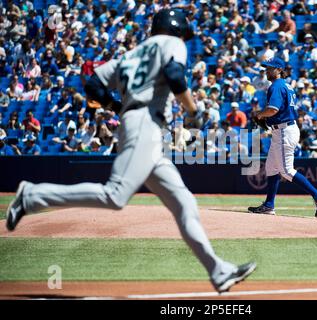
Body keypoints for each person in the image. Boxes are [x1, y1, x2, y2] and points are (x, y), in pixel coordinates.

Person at [5, 9, 255, 293]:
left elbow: (93, 84)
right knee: (115, 195)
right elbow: (174, 74)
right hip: (144, 124)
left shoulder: (131, 54)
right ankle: (32, 196)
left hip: (138, 125)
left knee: (184, 202)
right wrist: (193, 109)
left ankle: (218, 270)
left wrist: (114, 107)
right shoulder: (172, 43)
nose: (183, 37)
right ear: (175, 28)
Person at [247, 57, 317, 217]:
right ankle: (269, 205)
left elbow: (273, 109)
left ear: (279, 70)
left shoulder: (276, 86)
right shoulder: (286, 86)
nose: (267, 71)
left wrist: (259, 114)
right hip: (283, 129)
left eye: (270, 68)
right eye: (266, 68)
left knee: (286, 170)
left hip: (285, 130)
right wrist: (264, 117)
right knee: (271, 168)